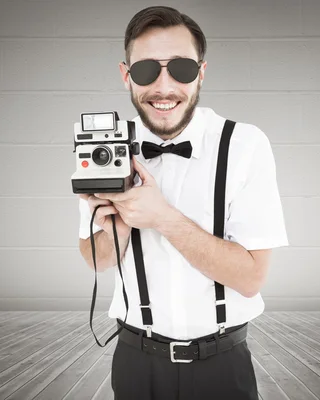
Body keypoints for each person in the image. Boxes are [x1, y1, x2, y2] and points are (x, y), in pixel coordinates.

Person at [77, 6, 289, 400]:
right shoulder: (106, 147)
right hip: (134, 362)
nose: (164, 86)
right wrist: (116, 232)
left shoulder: (244, 145)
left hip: (222, 364)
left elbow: (250, 278)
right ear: (126, 76)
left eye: (181, 69)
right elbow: (95, 259)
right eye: (145, 71)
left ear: (201, 73)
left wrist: (163, 218)